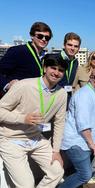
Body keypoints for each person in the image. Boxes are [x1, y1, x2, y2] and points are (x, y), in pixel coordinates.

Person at [0, 55, 68, 187]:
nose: (56, 72)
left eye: (60, 70)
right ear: (44, 68)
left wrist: (56, 151)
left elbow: (60, 123)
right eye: (53, 68)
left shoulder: (62, 93)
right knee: (27, 185)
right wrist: (22, 119)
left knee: (57, 172)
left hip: (36, 138)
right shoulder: (24, 85)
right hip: (11, 139)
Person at [60, 68, 95, 187]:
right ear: (90, 78)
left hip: (91, 138)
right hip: (77, 141)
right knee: (84, 174)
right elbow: (83, 124)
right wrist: (91, 143)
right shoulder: (83, 95)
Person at [0, 22, 52, 94]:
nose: (43, 39)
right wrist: (7, 85)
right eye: (40, 36)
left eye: (47, 37)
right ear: (32, 36)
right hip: (17, 98)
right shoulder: (18, 51)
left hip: (35, 98)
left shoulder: (46, 57)